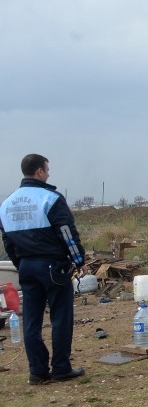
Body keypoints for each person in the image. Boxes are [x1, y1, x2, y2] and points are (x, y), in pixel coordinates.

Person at [0, 154, 86, 385]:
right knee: (60, 317)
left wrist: (22, 265)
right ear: (39, 171)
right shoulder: (51, 199)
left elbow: (7, 241)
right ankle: (60, 368)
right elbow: (67, 233)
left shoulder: (7, 204)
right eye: (47, 170)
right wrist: (79, 260)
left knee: (31, 320)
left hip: (26, 267)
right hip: (53, 266)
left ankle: (37, 372)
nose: (48, 174)